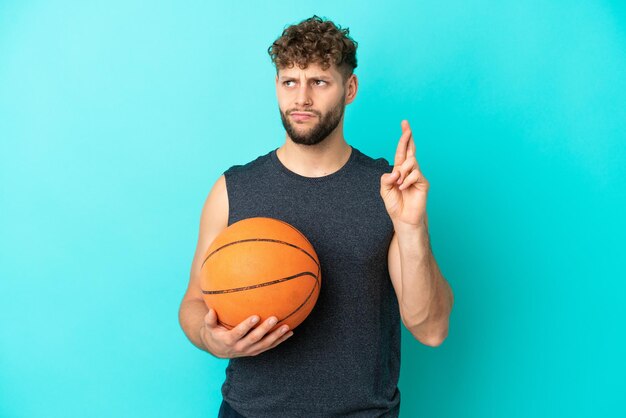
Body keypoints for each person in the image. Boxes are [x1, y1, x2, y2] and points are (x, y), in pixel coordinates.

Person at [178, 15, 454, 418]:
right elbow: (193, 303)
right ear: (277, 86)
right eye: (290, 81)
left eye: (319, 82)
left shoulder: (386, 190)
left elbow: (430, 329)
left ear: (350, 89)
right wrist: (209, 337)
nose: (302, 98)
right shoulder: (231, 189)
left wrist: (412, 227)